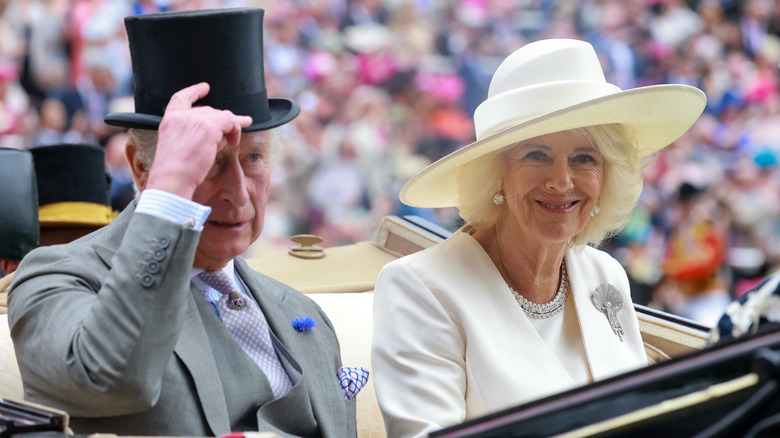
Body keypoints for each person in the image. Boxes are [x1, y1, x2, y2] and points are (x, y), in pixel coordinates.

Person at [8, 8, 359, 437]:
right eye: (209, 162)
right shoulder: (57, 277)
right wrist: (172, 183)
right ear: (141, 168)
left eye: (253, 159)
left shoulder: (303, 313)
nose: (238, 191)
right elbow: (112, 376)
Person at [371, 38, 706, 437]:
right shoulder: (421, 287)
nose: (561, 181)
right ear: (496, 173)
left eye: (584, 158)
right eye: (536, 155)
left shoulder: (605, 273)